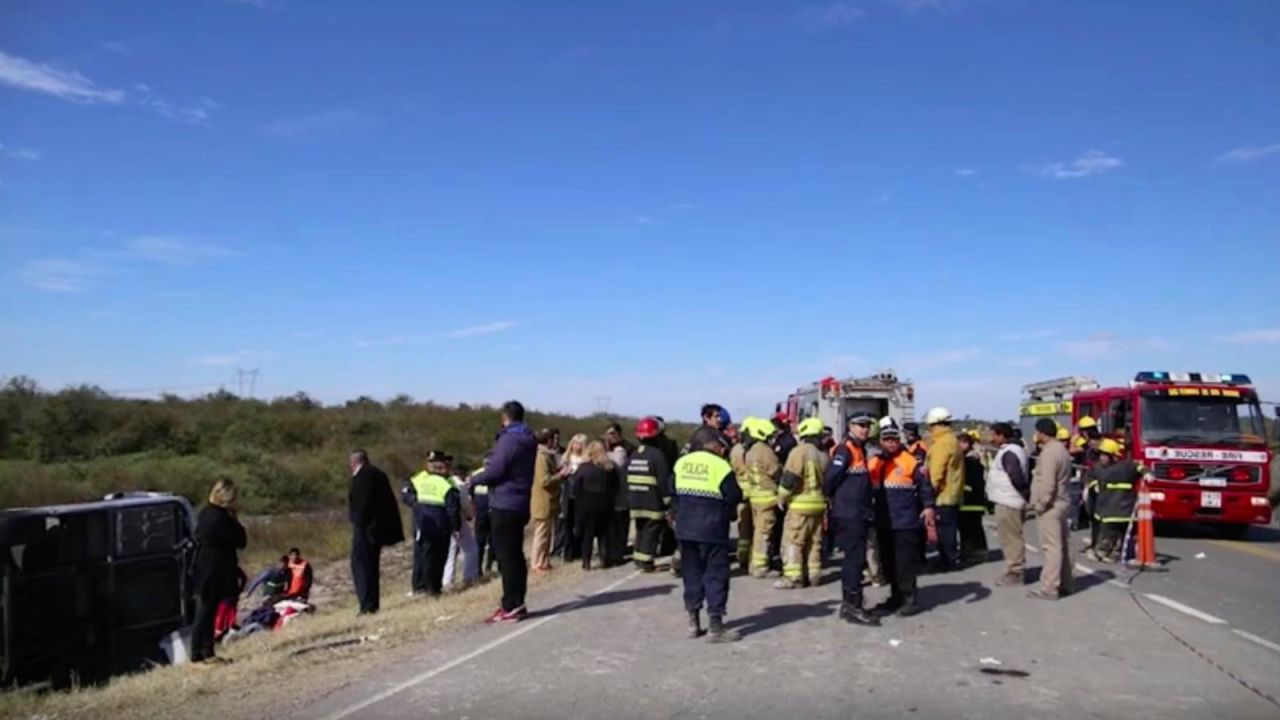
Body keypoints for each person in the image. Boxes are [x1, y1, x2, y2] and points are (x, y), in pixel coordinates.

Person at [671, 437, 744, 643]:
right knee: (715, 576)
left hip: (686, 529)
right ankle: (715, 625)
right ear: (716, 447)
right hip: (712, 530)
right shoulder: (720, 466)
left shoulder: (681, 463)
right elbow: (734, 495)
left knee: (691, 574)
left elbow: (671, 491)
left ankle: (693, 621)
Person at [470, 401, 537, 624]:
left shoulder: (509, 439)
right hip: (520, 502)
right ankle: (518, 602)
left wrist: (474, 480)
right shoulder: (528, 438)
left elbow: (496, 470)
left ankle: (510, 605)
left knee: (506, 557)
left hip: (505, 503)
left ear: (504, 418)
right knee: (515, 556)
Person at [868, 422, 937, 617]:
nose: (890, 443)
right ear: (880, 441)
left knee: (904, 563)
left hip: (904, 521)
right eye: (886, 439)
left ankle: (909, 599)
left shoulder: (910, 461)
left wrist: (928, 506)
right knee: (888, 562)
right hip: (883, 521)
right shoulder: (874, 462)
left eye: (894, 439)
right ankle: (895, 596)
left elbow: (924, 486)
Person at [823, 414, 879, 625]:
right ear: (850, 427)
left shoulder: (859, 449)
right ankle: (852, 606)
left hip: (858, 512)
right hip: (849, 514)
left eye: (867, 425)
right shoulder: (845, 449)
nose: (864, 429)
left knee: (856, 560)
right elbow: (830, 479)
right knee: (853, 561)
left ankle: (853, 603)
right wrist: (834, 500)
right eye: (860, 425)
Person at [192, 479, 247, 664]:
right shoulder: (221, 518)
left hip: (204, 565)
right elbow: (241, 540)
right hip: (216, 567)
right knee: (206, 611)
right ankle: (199, 651)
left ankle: (205, 651)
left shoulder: (205, 513)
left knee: (207, 608)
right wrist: (234, 518)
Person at [775, 417, 830, 589]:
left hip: (800, 504)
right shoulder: (823, 454)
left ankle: (793, 577)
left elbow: (790, 478)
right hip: (819, 505)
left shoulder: (799, 451)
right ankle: (814, 575)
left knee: (793, 541)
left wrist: (781, 497)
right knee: (814, 542)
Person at [349, 449, 404, 615]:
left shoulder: (362, 477)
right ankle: (371, 603)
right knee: (371, 566)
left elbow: (363, 504)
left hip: (366, 529)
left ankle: (367, 605)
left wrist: (358, 521)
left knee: (362, 566)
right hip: (378, 529)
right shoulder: (378, 474)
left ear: (353, 463)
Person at [403, 451, 463, 598]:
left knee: (431, 556)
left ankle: (429, 587)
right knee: (426, 556)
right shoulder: (421, 479)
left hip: (428, 522)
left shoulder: (444, 481)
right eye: (430, 461)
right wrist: (415, 503)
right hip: (428, 523)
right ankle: (423, 586)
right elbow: (406, 493)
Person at [1029, 418, 1074, 600]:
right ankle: (1066, 583)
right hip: (1062, 502)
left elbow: (1048, 483)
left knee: (1051, 548)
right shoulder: (1062, 450)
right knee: (1063, 545)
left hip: (1051, 506)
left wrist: (1040, 505)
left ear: (1041, 432)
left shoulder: (1048, 453)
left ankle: (1049, 587)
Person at [985, 423, 1031, 586]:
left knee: (1011, 538)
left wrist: (1025, 495)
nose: (990, 438)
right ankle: (1014, 570)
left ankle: (1015, 572)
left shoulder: (1010, 452)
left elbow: (1016, 477)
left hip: (1009, 501)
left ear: (1001, 435)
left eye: (993, 435)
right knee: (1009, 537)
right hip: (1008, 500)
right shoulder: (1011, 450)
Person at [627, 417, 673, 572]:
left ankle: (639, 557)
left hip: (635, 499)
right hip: (652, 501)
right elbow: (663, 481)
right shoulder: (657, 455)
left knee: (641, 529)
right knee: (652, 530)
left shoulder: (634, 454)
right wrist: (669, 501)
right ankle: (647, 561)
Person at [1087, 438, 1142, 562]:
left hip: (1123, 507)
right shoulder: (1098, 468)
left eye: (1105, 455)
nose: (1102, 458)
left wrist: (1148, 474)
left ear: (1114, 456)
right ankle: (1103, 551)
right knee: (1107, 532)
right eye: (1101, 454)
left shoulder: (1126, 467)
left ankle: (1115, 552)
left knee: (1121, 533)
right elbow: (1090, 476)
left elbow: (1140, 468)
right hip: (1107, 507)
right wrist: (1093, 484)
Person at [924, 407, 964, 572]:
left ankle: (948, 561)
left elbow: (936, 472)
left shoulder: (942, 443)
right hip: (952, 493)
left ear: (937, 425)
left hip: (943, 495)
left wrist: (928, 494)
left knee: (945, 530)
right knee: (949, 529)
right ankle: (949, 558)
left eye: (932, 426)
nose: (931, 430)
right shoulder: (952, 440)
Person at [571, 440, 621, 569]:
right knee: (603, 533)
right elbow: (616, 487)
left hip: (587, 503)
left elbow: (575, 487)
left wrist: (577, 498)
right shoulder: (610, 468)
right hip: (605, 502)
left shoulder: (583, 468)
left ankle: (586, 561)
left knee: (588, 533)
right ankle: (604, 558)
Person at [743, 418, 781, 578]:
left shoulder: (750, 451)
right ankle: (760, 566)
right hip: (767, 497)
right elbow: (775, 472)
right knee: (764, 532)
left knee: (757, 530)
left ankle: (755, 563)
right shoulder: (765, 451)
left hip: (755, 496)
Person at [444, 460, 481, 589]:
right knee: (470, 548)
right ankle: (470, 577)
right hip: (457, 518)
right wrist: (470, 515)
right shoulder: (459, 485)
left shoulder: (443, 480)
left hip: (441, 518)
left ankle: (447, 580)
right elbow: (465, 504)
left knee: (450, 551)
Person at [530, 429, 563, 572]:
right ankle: (536, 562)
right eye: (552, 439)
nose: (555, 442)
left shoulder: (547, 455)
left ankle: (544, 561)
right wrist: (560, 475)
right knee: (541, 534)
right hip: (542, 500)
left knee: (547, 534)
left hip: (549, 501)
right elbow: (544, 480)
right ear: (547, 440)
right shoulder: (541, 457)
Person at [554, 434, 589, 563]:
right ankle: (568, 553)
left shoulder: (586, 459)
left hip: (581, 493)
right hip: (568, 493)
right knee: (567, 524)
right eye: (574, 443)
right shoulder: (566, 457)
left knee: (580, 524)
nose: (577, 446)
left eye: (579, 444)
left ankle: (578, 550)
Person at [957, 432, 989, 566]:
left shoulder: (970, 461)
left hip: (970, 502)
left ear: (966, 444)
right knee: (969, 529)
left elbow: (971, 483)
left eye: (958, 443)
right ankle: (968, 552)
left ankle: (976, 554)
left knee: (972, 529)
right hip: (971, 501)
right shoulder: (968, 459)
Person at [728, 418, 756, 571]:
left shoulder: (735, 449)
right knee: (751, 529)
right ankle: (748, 558)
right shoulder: (750, 450)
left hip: (740, 491)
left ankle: (743, 557)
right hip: (751, 491)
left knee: (743, 530)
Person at [604, 423, 632, 567]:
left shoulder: (625, 448)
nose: (609, 437)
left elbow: (618, 466)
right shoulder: (604, 448)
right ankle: (612, 551)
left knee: (621, 523)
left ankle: (620, 550)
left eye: (612, 433)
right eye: (607, 434)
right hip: (608, 495)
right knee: (611, 526)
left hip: (621, 492)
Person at [469, 455, 494, 577]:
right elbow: (470, 494)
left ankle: (488, 565)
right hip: (482, 510)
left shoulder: (495, 472)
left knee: (492, 540)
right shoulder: (477, 474)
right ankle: (479, 568)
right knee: (481, 541)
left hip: (490, 509)